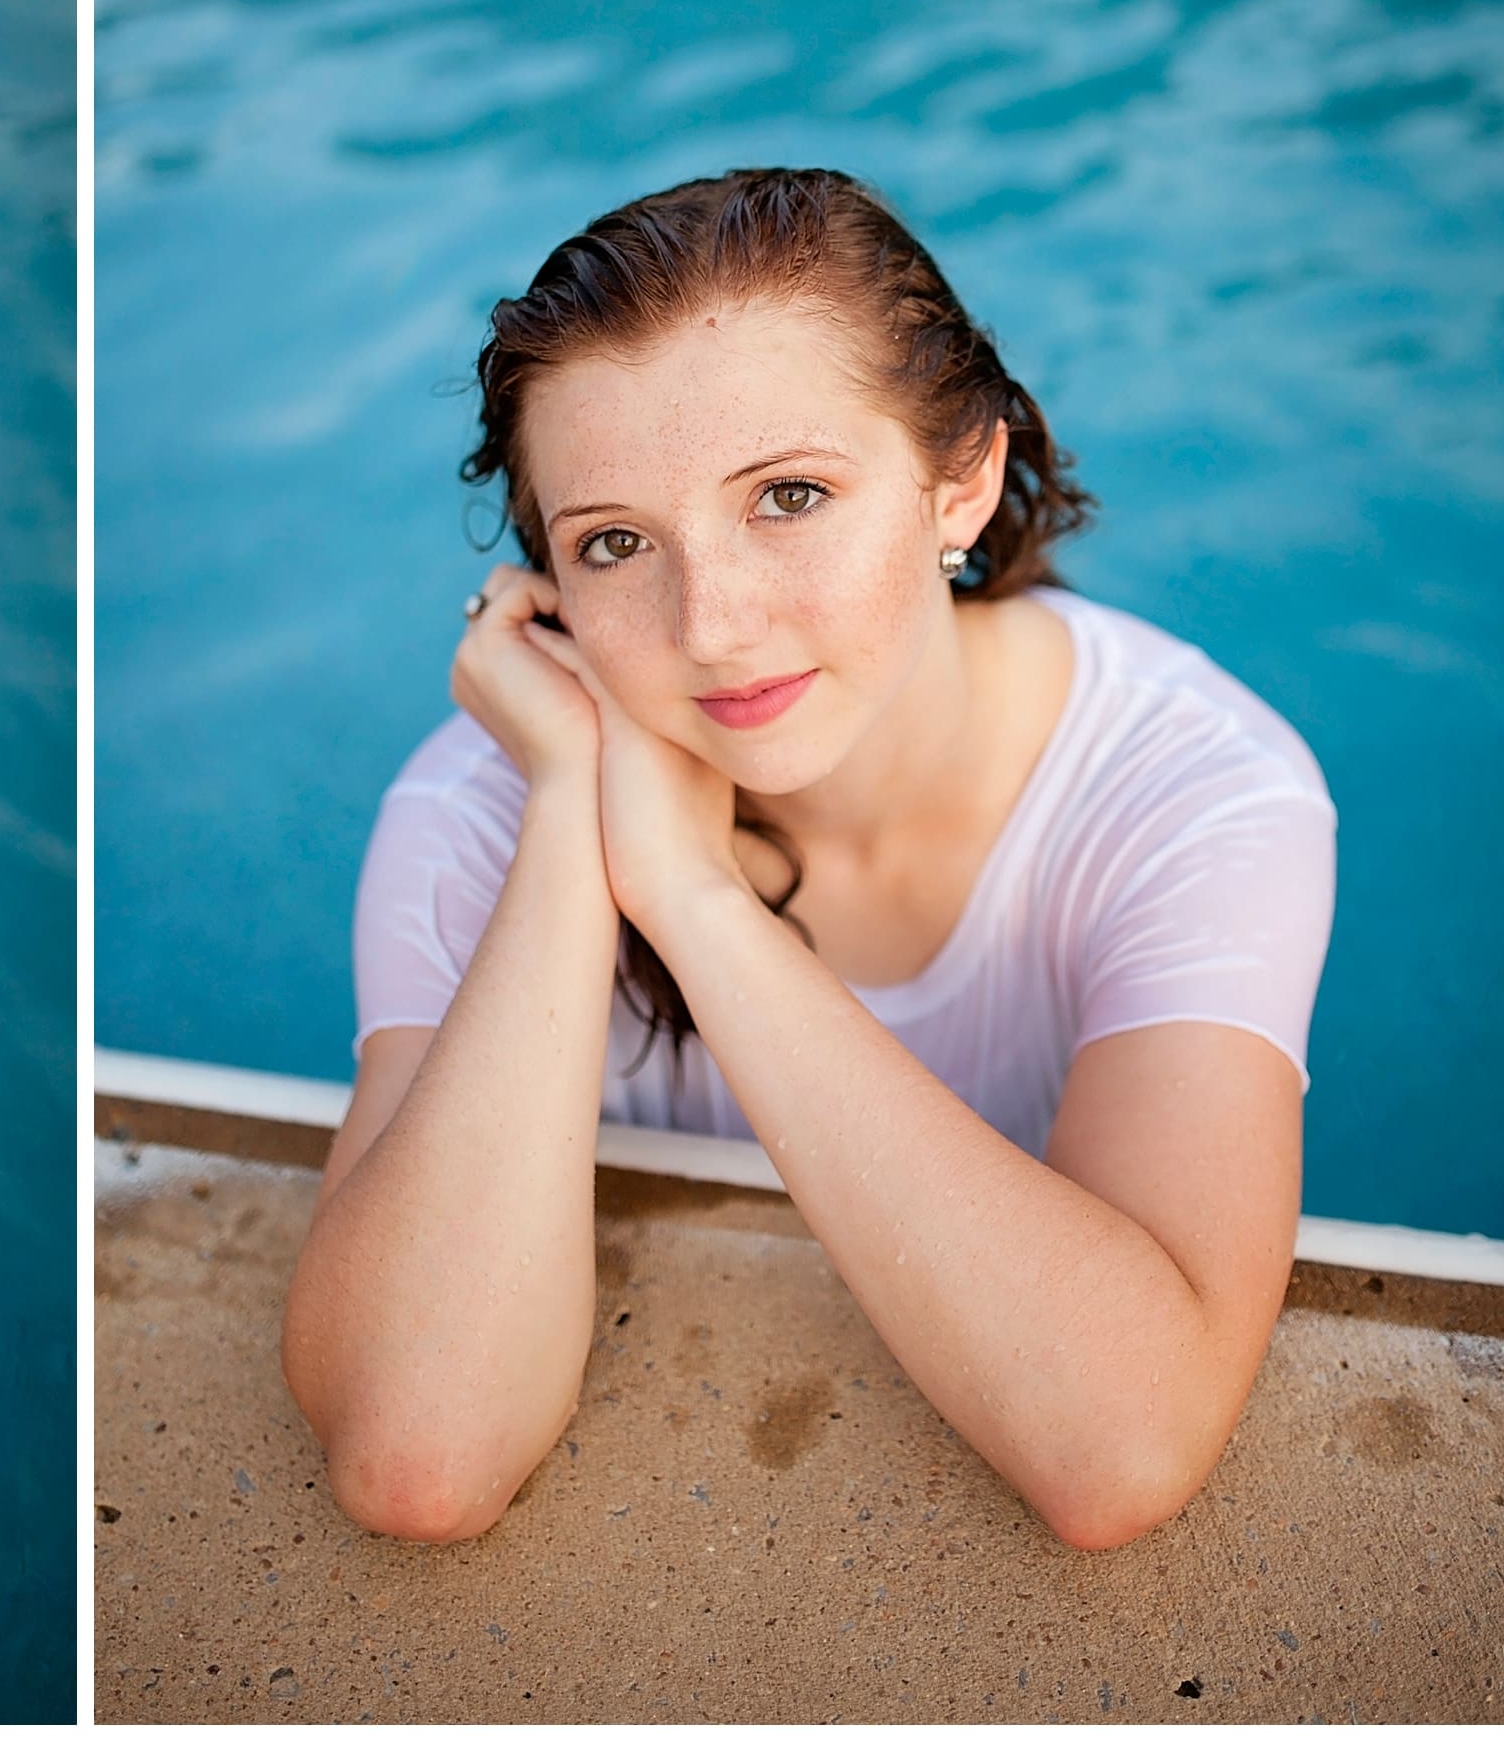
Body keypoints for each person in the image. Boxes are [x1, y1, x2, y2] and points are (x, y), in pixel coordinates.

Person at [282, 168, 1336, 1554]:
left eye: (788, 494)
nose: (712, 624)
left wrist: (692, 896)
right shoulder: (483, 808)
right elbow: (418, 1450)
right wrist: (569, 820)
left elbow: (1121, 1438)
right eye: (614, 543)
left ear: (962, 477)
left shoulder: (1192, 791)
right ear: (546, 590)